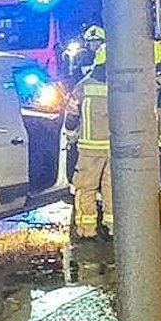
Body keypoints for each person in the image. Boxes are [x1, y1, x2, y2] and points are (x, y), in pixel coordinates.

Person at [65, 49, 111, 240]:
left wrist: (70, 137)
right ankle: (112, 227)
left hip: (89, 148)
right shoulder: (120, 84)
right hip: (114, 148)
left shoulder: (83, 86)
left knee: (85, 188)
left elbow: (71, 116)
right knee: (112, 188)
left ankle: (87, 229)